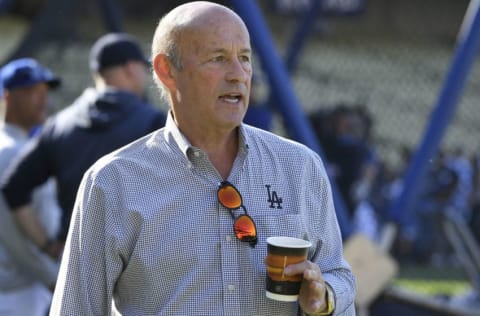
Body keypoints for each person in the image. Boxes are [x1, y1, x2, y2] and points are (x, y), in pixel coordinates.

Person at [50, 2, 356, 315]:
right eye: (218, 58)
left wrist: (324, 296)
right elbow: (75, 309)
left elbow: (339, 275)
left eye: (245, 58)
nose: (238, 75)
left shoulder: (300, 167)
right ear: (166, 70)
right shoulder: (113, 182)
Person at [1, 33, 167, 258]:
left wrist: (48, 247)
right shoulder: (155, 123)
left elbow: (14, 187)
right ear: (130, 68)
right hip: (136, 264)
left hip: (75, 263)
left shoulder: (58, 124)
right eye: (143, 68)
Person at [0, 58, 62, 316]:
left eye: (43, 91)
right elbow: (11, 232)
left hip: (30, 286)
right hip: (13, 295)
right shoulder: (8, 151)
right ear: (7, 97)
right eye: (30, 91)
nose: (41, 99)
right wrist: (54, 278)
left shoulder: (28, 146)